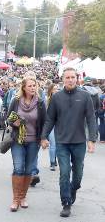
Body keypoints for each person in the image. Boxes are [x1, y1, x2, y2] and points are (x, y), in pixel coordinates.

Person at [41, 67, 96, 217]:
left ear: (77, 78)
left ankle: (73, 189)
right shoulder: (57, 97)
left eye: (73, 77)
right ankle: (66, 203)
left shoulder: (85, 96)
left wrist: (92, 138)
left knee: (77, 175)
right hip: (62, 142)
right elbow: (50, 119)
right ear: (63, 79)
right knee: (64, 173)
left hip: (79, 142)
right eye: (67, 77)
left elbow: (91, 118)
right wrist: (44, 137)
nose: (70, 80)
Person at [7, 76, 46, 212]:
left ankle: (23, 197)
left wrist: (43, 138)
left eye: (34, 86)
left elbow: (44, 122)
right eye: (29, 86)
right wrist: (14, 123)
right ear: (23, 87)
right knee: (18, 168)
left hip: (33, 142)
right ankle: (15, 199)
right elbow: (8, 118)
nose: (32, 88)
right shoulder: (16, 101)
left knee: (29, 170)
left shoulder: (40, 103)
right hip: (18, 140)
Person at [46, 83, 59, 171]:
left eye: (57, 89)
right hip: (51, 125)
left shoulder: (62, 99)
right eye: (54, 89)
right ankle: (52, 162)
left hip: (60, 125)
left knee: (58, 144)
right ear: (50, 91)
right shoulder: (47, 100)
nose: (56, 90)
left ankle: (54, 159)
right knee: (53, 144)